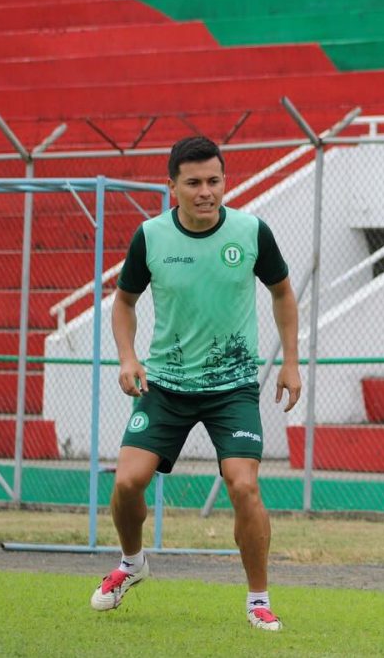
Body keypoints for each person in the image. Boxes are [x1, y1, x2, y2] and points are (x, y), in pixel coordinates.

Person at [89, 136, 302, 631]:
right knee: (126, 482)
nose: (206, 191)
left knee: (244, 486)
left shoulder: (251, 232)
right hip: (165, 385)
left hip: (233, 387)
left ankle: (258, 599)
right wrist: (127, 357)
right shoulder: (151, 236)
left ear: (224, 181)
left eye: (214, 180)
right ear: (172, 188)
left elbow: (283, 293)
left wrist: (291, 362)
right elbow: (123, 303)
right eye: (194, 183)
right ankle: (132, 563)